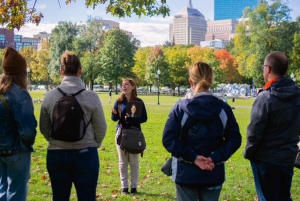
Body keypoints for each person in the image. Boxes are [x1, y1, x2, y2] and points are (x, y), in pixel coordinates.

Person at [162, 61, 241, 201]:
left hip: (186, 173)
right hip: (213, 172)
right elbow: (234, 139)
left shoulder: (180, 108)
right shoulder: (223, 109)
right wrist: (214, 157)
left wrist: (193, 157)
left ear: (190, 82)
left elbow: (169, 139)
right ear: (211, 80)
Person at [39, 50, 107, 201]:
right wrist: (94, 143)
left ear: (61, 71)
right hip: (86, 154)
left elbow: (44, 127)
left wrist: (54, 140)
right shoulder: (91, 96)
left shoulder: (50, 96)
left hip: (57, 154)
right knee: (87, 197)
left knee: (60, 197)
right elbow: (101, 127)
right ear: (80, 70)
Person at [244, 51, 300, 201]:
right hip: (287, 157)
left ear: (268, 69)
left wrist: (249, 152)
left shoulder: (266, 97)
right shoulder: (297, 95)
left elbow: (254, 130)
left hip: (266, 159)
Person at [0, 46, 37, 201]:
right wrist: (27, 142)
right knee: (16, 193)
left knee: (2, 190)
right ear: (22, 72)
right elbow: (28, 130)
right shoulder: (20, 94)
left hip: (1, 150)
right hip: (17, 150)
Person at [111, 78, 147, 195]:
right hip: (121, 133)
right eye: (122, 85)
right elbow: (114, 119)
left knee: (134, 162)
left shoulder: (138, 102)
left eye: (126, 84)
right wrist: (114, 114)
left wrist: (130, 118)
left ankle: (134, 187)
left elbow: (144, 118)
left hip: (134, 134)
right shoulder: (119, 101)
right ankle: (124, 187)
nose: (124, 86)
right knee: (123, 162)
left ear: (133, 87)